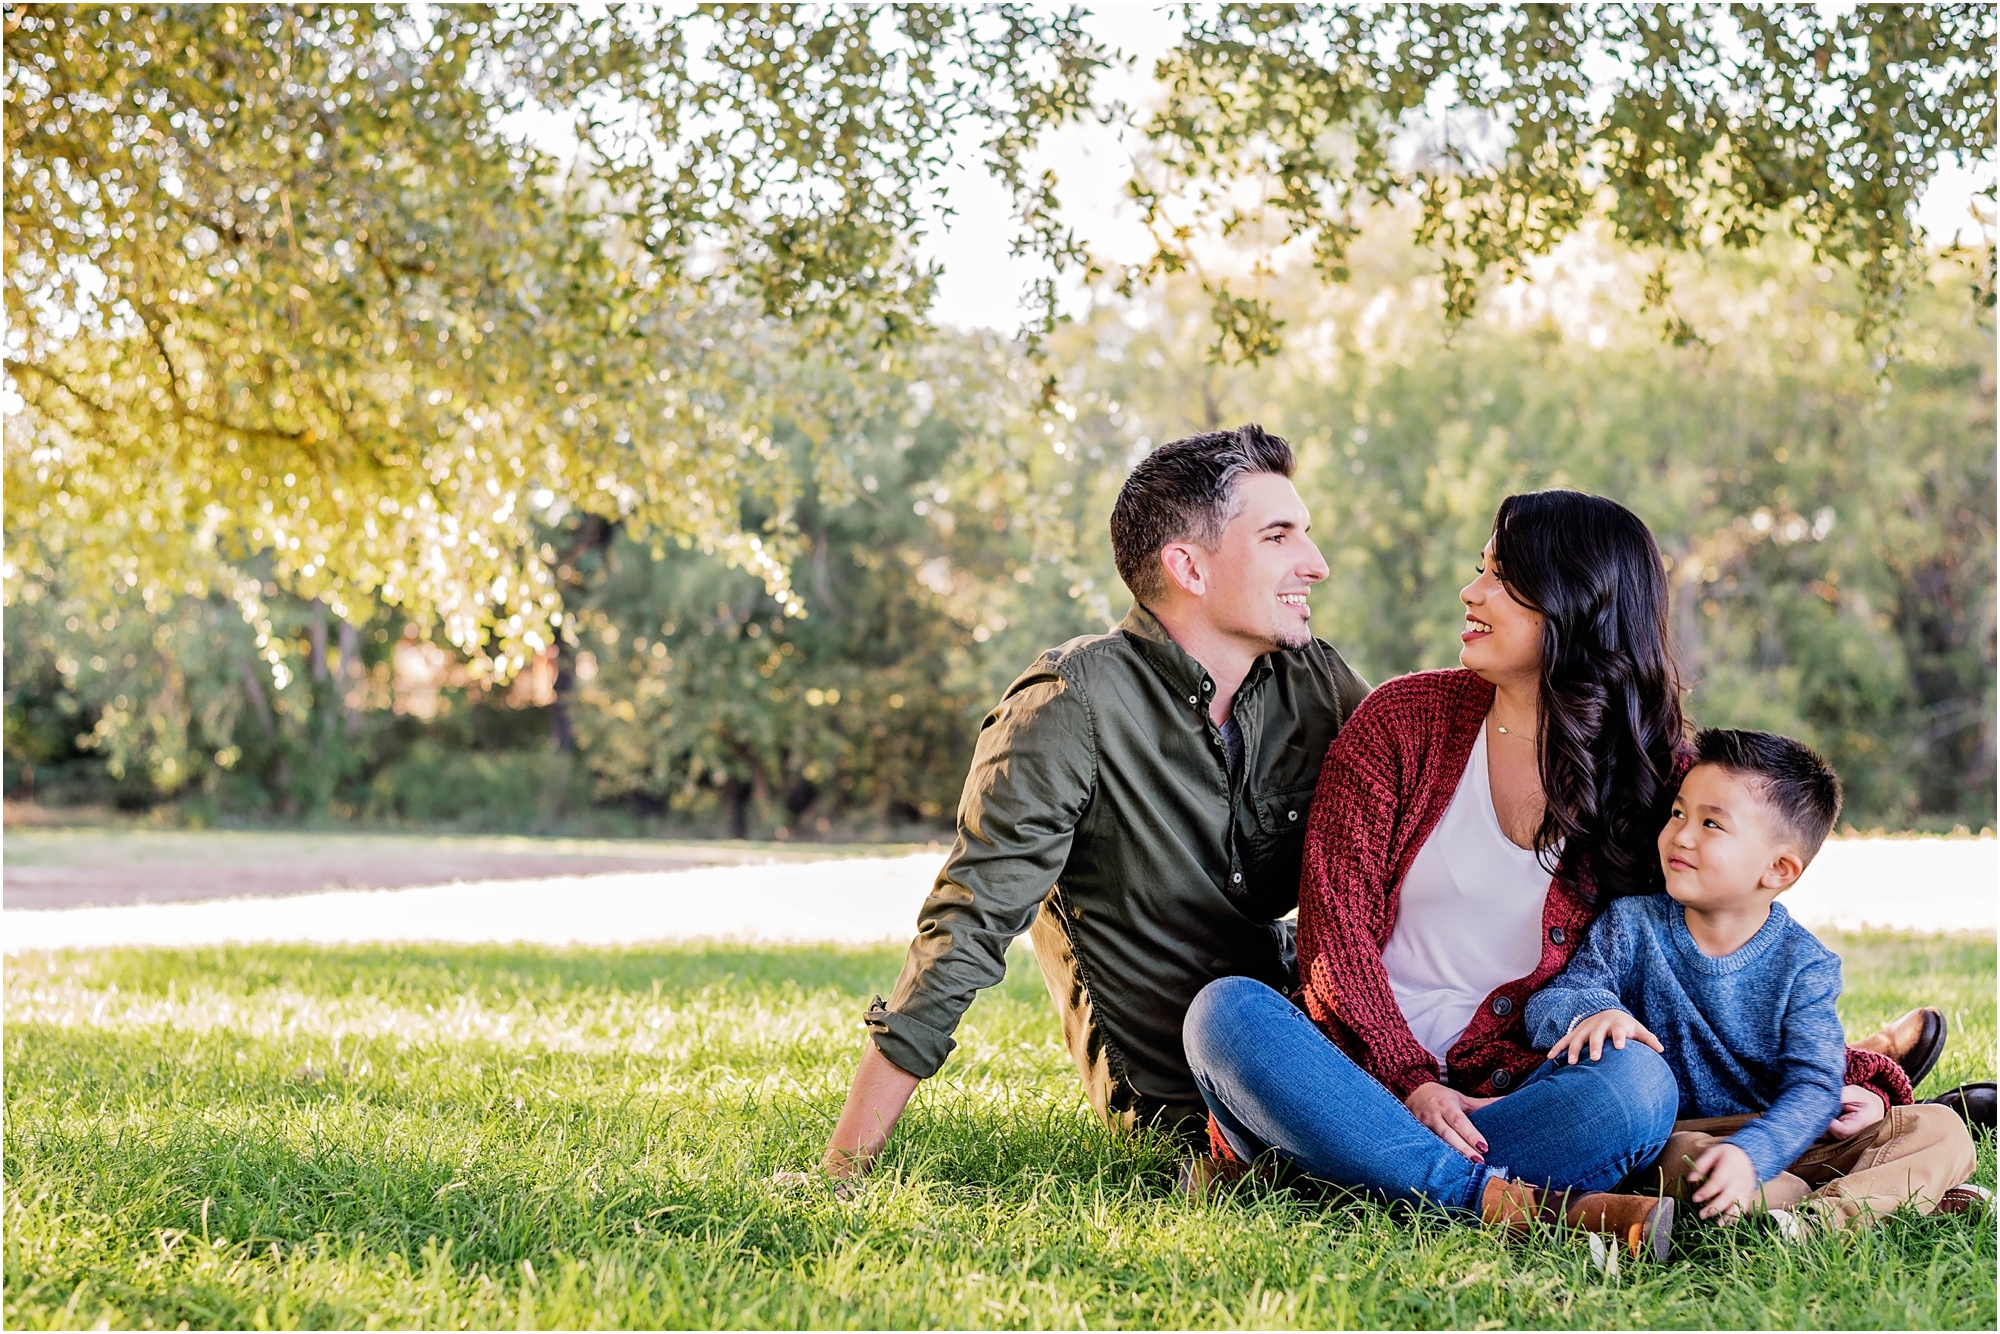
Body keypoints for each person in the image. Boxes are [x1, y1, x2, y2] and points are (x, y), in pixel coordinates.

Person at [1183, 491, 1914, 1260]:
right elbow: (1334, 933)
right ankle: (1492, 1200)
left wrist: (1863, 1076)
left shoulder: (1656, 781)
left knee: (1638, 1087)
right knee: (1224, 1014)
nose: (1471, 593)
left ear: (1579, 607)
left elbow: (1724, 950)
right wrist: (1410, 1082)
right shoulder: (1401, 722)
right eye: (1480, 571)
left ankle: (1336, 1168)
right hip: (1351, 1072)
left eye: (1502, 579)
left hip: (1514, 1101)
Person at [817, 425, 1370, 1178]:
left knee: (1550, 1058)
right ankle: (1483, 1190)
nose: (1316, 563)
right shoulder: (1067, 706)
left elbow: (1436, 828)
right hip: (1202, 1107)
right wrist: (843, 1167)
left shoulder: (1315, 685)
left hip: (1343, 1050)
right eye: (1279, 536)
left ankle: (1486, 1173)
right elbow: (967, 926)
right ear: (1188, 567)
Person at [1528, 728, 1980, 1232]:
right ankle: (1869, 1201)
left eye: (1711, 823)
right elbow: (1551, 1001)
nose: (1681, 835)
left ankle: (1820, 1218)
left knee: (1942, 1128)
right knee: (1689, 1161)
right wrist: (1594, 1011)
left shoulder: (1806, 965)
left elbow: (1814, 1086)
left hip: (1775, 1133)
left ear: (1779, 869)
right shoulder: (1631, 925)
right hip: (1679, 1136)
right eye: (1678, 813)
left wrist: (1755, 1153)